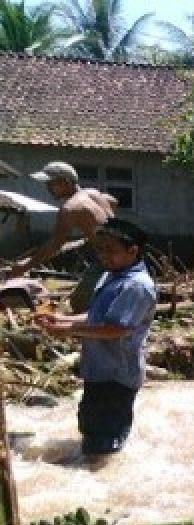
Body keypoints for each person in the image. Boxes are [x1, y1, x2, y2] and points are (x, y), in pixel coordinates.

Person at [34, 217, 156, 457]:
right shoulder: (113, 276)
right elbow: (97, 316)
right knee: (93, 432)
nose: (103, 255)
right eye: (100, 249)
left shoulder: (136, 286)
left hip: (116, 375)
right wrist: (62, 320)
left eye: (111, 250)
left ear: (133, 251)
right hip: (101, 370)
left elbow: (116, 329)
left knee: (103, 444)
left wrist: (68, 330)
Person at [12, 161, 117, 311]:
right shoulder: (94, 193)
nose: (48, 188)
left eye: (51, 183)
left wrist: (25, 266)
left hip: (110, 260)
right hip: (125, 252)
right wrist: (92, 233)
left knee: (80, 305)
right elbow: (113, 201)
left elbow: (55, 244)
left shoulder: (69, 208)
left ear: (66, 182)